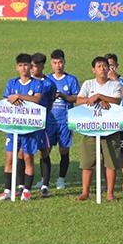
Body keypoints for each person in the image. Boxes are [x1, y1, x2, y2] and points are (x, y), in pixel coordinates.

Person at [76, 55, 123, 200]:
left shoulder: (115, 85)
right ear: (93, 70)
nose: (102, 69)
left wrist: (100, 96)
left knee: (111, 162)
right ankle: (85, 192)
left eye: (105, 66)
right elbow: (79, 101)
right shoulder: (88, 84)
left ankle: (110, 193)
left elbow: (116, 100)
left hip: (110, 129)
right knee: (87, 162)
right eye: (99, 66)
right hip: (91, 128)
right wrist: (93, 99)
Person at [0, 53, 42, 202]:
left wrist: (19, 97)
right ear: (17, 67)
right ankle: (7, 190)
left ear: (31, 67)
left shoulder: (36, 83)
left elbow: (37, 99)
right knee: (9, 158)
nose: (23, 68)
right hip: (13, 127)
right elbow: (5, 100)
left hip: (29, 128)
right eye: (21, 65)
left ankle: (27, 191)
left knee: (28, 158)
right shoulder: (12, 83)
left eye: (26, 65)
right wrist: (11, 99)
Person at [47, 49, 81, 190]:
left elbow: (77, 98)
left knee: (64, 150)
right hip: (49, 121)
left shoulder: (71, 80)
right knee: (45, 150)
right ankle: (44, 181)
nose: (58, 65)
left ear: (64, 62)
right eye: (55, 63)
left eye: (60, 62)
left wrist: (63, 96)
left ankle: (61, 179)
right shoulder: (47, 79)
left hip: (65, 121)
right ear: (51, 63)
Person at [106, 53, 123, 193]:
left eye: (112, 65)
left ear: (117, 66)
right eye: (107, 66)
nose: (109, 68)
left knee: (122, 154)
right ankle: (107, 183)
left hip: (120, 124)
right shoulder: (102, 83)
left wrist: (115, 80)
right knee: (105, 155)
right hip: (106, 123)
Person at [30, 52, 57, 197]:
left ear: (42, 66)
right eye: (31, 65)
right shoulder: (25, 81)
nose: (32, 68)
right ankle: (22, 185)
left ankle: (45, 184)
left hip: (42, 122)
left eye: (35, 66)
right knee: (23, 153)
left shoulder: (49, 84)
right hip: (26, 122)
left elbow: (50, 102)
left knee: (44, 151)